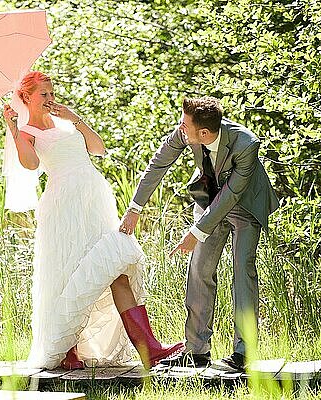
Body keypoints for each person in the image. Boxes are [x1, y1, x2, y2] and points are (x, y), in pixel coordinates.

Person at [1, 71, 184, 370]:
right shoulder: (28, 131)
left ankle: (149, 349)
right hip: (65, 205)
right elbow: (31, 165)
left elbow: (98, 148)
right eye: (43, 94)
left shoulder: (65, 121)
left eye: (51, 92)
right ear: (27, 98)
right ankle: (66, 350)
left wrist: (75, 118)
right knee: (68, 273)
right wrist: (13, 128)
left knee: (115, 267)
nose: (50, 98)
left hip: (94, 200)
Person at [119, 96, 279, 371]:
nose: (180, 128)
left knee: (243, 271)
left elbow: (231, 195)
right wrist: (135, 208)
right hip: (210, 201)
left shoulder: (246, 144)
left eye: (184, 125)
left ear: (204, 133)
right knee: (199, 270)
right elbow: (159, 164)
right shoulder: (187, 132)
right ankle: (196, 350)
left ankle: (244, 351)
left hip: (246, 204)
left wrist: (197, 231)